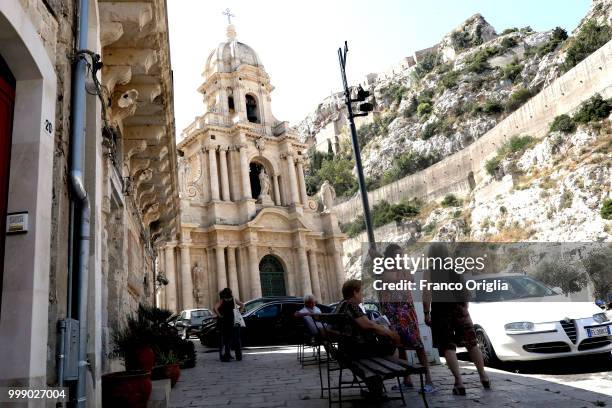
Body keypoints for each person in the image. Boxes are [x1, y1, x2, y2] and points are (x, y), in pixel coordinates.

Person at [422, 243, 490, 395]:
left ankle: (459, 382)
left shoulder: (430, 271)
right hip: (459, 309)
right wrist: (465, 307)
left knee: (448, 347)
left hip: (441, 312)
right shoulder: (455, 267)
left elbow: (426, 293)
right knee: (472, 344)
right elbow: (465, 290)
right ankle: (483, 376)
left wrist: (426, 312)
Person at [378, 245, 435, 394]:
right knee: (400, 346)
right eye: (398, 255)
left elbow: (408, 280)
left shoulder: (402, 269)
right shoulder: (386, 272)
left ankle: (429, 380)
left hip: (406, 313)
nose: (401, 257)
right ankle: (407, 380)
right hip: (394, 314)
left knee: (418, 345)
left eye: (402, 255)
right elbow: (391, 284)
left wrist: (402, 267)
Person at [335, 279, 401, 399]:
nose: (363, 294)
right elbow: (367, 325)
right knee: (392, 347)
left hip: (346, 349)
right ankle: (379, 380)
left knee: (383, 343)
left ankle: (375, 388)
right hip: (355, 351)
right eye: (361, 292)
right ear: (355, 292)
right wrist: (391, 334)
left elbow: (365, 323)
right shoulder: (351, 305)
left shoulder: (341, 305)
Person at [214, 288, 244, 362]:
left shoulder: (222, 300)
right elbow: (242, 305)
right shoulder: (234, 299)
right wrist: (239, 312)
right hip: (234, 320)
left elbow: (215, 308)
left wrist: (220, 315)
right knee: (237, 339)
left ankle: (227, 356)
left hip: (226, 321)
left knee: (227, 340)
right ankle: (239, 356)